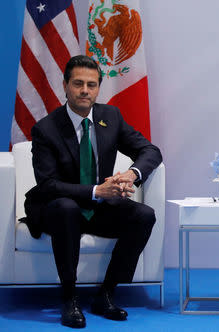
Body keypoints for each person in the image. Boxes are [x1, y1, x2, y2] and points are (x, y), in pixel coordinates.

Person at [22, 55, 162, 328]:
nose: (85, 90)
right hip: (57, 208)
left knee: (144, 215)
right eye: (78, 84)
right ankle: (69, 299)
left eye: (91, 84)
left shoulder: (110, 116)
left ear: (98, 88)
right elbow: (48, 184)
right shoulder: (46, 129)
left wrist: (131, 174)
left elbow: (150, 151)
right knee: (66, 208)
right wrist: (98, 190)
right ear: (65, 86)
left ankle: (106, 294)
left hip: (97, 208)